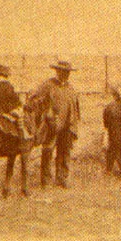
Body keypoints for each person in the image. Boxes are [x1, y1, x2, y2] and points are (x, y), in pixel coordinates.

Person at [26, 60, 80, 188]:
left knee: (65, 152)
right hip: (51, 125)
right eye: (63, 72)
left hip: (67, 126)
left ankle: (62, 179)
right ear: (57, 71)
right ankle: (46, 181)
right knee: (48, 151)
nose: (66, 75)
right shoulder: (48, 85)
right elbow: (34, 98)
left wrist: (73, 123)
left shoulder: (70, 88)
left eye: (68, 72)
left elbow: (75, 108)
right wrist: (45, 113)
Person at [0, 64, 29, 141]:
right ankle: (23, 136)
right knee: (21, 115)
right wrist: (20, 105)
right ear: (6, 75)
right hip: (2, 111)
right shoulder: (7, 85)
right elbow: (13, 99)